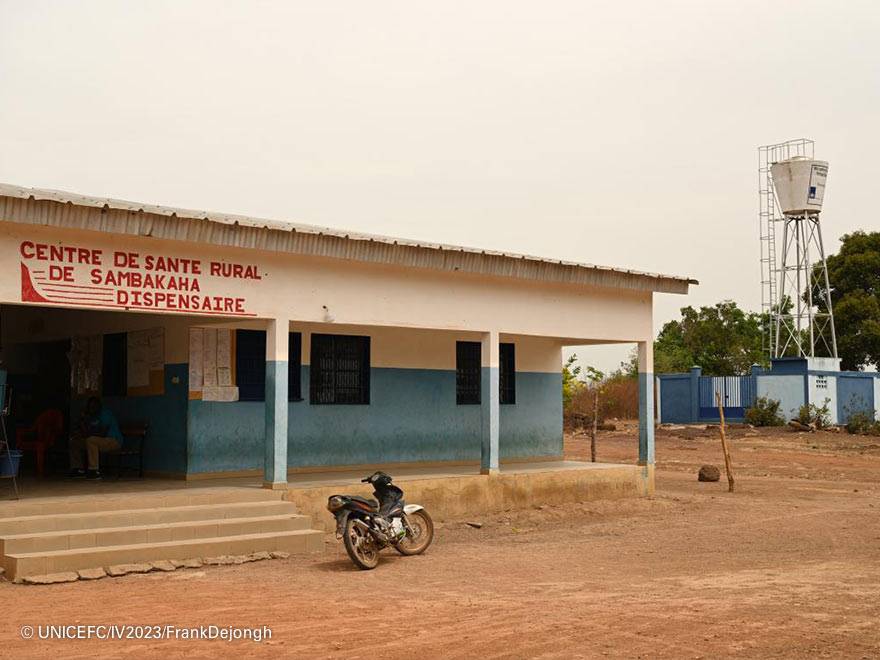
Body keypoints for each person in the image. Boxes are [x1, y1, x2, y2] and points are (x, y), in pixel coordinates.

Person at [68, 397, 123, 480]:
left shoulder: (105, 413)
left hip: (113, 440)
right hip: (98, 441)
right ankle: (78, 469)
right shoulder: (90, 416)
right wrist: (82, 420)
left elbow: (102, 433)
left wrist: (87, 434)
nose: (91, 409)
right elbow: (85, 431)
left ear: (99, 406)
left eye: (93, 407)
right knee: (74, 442)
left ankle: (94, 470)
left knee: (91, 440)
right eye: (89, 407)